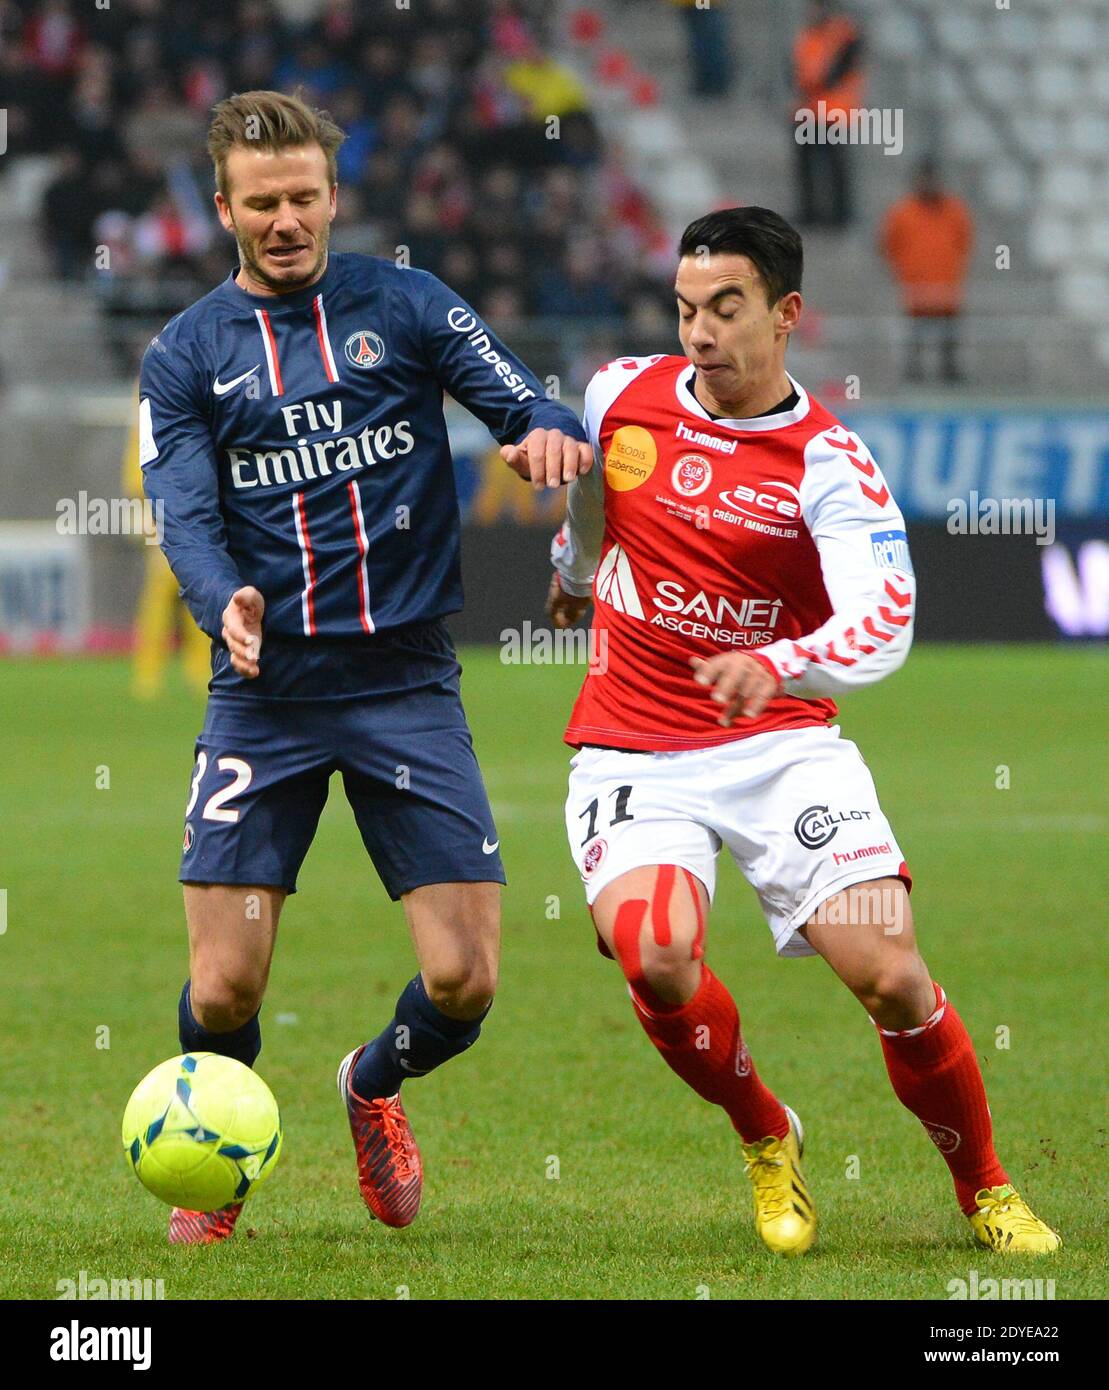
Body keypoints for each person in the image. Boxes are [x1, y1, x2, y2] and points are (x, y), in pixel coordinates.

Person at [540, 206, 1059, 1256]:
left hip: (779, 745)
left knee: (891, 975)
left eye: (724, 308)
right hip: (633, 746)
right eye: (685, 308)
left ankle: (985, 1188)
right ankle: (765, 1130)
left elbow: (883, 621)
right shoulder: (618, 395)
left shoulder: (829, 464)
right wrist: (569, 573)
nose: (698, 332)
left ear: (785, 316)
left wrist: (774, 661)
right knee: (656, 957)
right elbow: (591, 495)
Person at [139, 88, 590, 1245]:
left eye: (302, 198)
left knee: (464, 984)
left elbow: (518, 395)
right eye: (260, 203)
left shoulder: (409, 303)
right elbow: (185, 512)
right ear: (225, 209)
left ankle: (370, 1083)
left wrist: (540, 428)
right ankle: (214, 1173)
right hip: (266, 693)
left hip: (403, 684)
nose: (284, 220)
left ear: (334, 196)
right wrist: (218, 594)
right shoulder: (184, 353)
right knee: (226, 987)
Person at [879, 159, 974, 384]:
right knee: (915, 338)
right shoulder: (903, 213)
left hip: (946, 287)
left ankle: (950, 375)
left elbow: (964, 241)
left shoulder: (954, 210)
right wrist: (905, 272)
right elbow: (889, 245)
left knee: (948, 340)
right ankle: (914, 376)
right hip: (916, 288)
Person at [791, 0, 864, 229]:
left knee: (836, 166)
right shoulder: (807, 35)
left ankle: (841, 215)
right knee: (806, 165)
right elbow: (795, 70)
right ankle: (810, 211)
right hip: (808, 111)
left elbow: (841, 68)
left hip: (834, 112)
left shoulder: (844, 34)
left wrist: (816, 83)